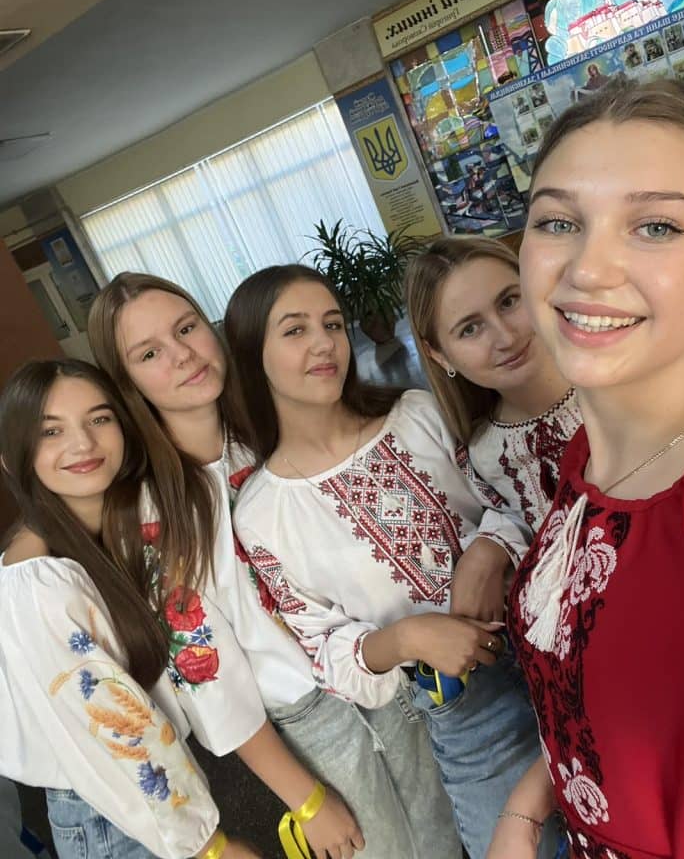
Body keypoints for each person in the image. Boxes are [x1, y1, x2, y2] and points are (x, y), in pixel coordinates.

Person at [488, 76, 684, 858]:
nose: (587, 267)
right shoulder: (589, 459)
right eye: (558, 221)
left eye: (655, 226)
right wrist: (526, 808)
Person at [88, 272, 448, 859]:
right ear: (127, 383)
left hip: (382, 670)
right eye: (149, 353)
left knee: (443, 839)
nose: (182, 356)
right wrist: (306, 800)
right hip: (313, 719)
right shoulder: (150, 513)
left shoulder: (270, 432)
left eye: (186, 329)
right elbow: (210, 680)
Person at [223, 264, 549, 859]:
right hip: (468, 711)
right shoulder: (263, 512)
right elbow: (327, 653)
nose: (324, 343)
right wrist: (405, 639)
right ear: (252, 356)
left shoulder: (417, 413)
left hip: (553, 643)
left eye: (332, 324)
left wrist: (488, 550)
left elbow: (517, 497)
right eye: (295, 331)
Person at [0, 359, 260, 859]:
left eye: (99, 419)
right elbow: (121, 732)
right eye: (51, 431)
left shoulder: (113, 529)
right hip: (112, 812)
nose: (83, 444)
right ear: (13, 458)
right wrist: (209, 846)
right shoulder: (39, 583)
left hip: (144, 802)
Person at [405, 236, 684, 535]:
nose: (505, 337)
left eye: (509, 301)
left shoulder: (637, 365)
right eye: (470, 328)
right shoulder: (487, 458)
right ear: (439, 355)